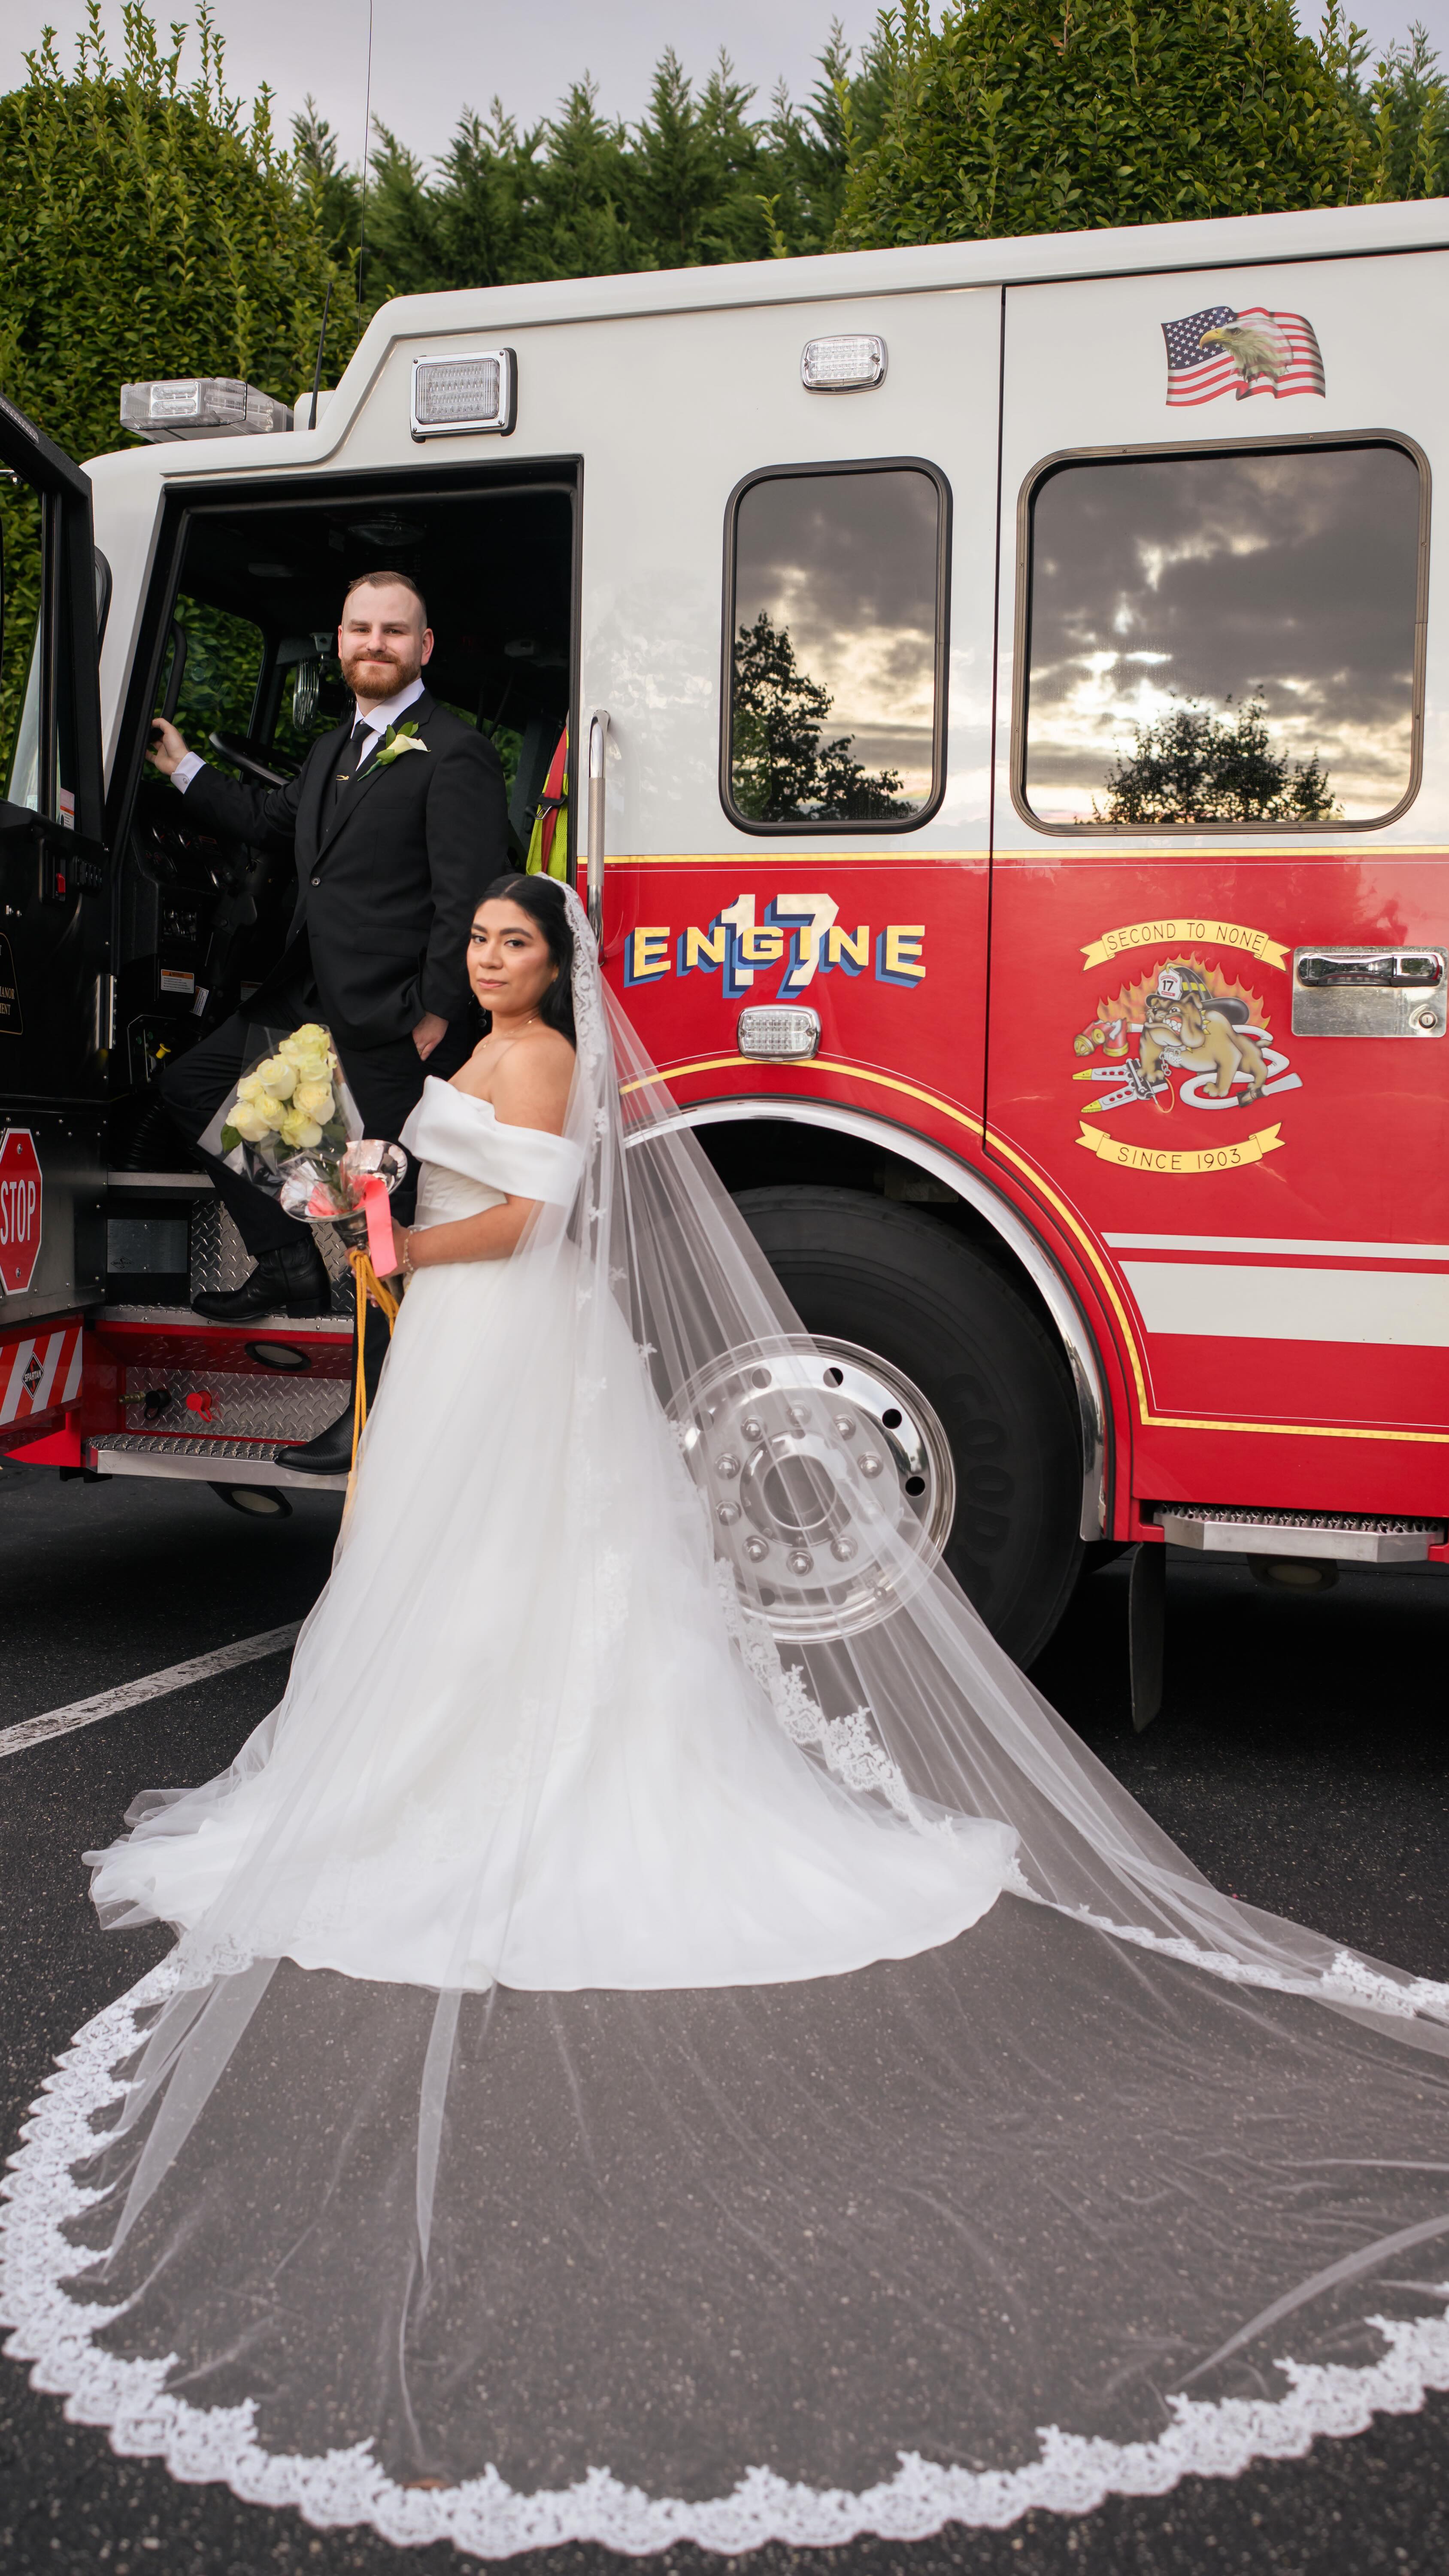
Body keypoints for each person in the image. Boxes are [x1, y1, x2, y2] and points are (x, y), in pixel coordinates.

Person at [7, 877, 1449, 2559]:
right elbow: (444, 1173)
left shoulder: (543, 1061)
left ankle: (486, 1763)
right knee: (444, 1561)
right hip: (465, 1341)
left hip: (496, 1324)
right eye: (480, 942)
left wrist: (382, 1232)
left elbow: (524, 1226)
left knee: (506, 1557)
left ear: (555, 966)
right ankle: (435, 1740)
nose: (490, 960)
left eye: (515, 944)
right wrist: (367, 1181)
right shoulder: (477, 1049)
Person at [148, 568, 506, 1474]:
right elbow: (264, 823)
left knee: (379, 1224)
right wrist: (180, 765)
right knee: (190, 1087)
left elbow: (468, 896)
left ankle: (372, 1423)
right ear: (339, 642)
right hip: (305, 999)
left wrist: (435, 1014)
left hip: (392, 1018)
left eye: (394, 631)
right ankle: (285, 1258)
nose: (374, 644)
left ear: (424, 647)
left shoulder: (455, 751)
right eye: (359, 629)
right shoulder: (328, 749)